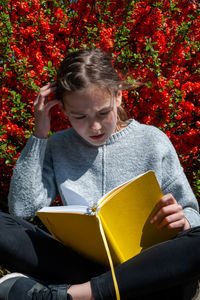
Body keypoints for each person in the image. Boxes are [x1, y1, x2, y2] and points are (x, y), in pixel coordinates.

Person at [0, 48, 200, 300]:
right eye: (80, 116)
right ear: (62, 109)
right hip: (82, 267)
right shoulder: (59, 145)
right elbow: (22, 207)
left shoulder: (152, 140)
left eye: (103, 113)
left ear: (118, 96)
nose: (94, 126)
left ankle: (76, 295)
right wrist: (40, 131)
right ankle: (86, 292)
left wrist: (184, 221)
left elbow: (192, 213)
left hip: (148, 274)